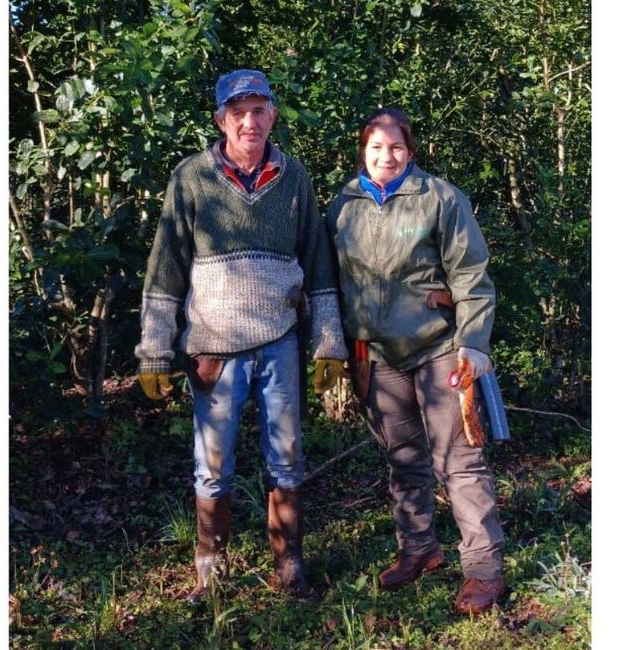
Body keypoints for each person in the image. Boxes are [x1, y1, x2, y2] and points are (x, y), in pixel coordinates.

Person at [135, 69, 347, 603]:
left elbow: (318, 265)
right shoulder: (191, 179)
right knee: (212, 467)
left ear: (273, 116)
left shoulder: (294, 178)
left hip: (280, 341)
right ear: (221, 120)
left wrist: (329, 343)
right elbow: (165, 269)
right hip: (213, 348)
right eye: (238, 112)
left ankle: (290, 565)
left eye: (259, 111)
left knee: (288, 459)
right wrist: (155, 351)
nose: (249, 122)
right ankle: (211, 570)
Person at [325, 107, 507, 615]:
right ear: (363, 151)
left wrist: (473, 344)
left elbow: (472, 275)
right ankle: (418, 549)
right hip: (377, 356)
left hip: (437, 349)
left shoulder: (440, 198)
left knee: (459, 461)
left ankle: (485, 571)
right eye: (376, 148)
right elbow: (329, 280)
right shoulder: (344, 204)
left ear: (411, 151)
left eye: (396, 148)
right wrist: (334, 347)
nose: (386, 157)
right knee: (402, 458)